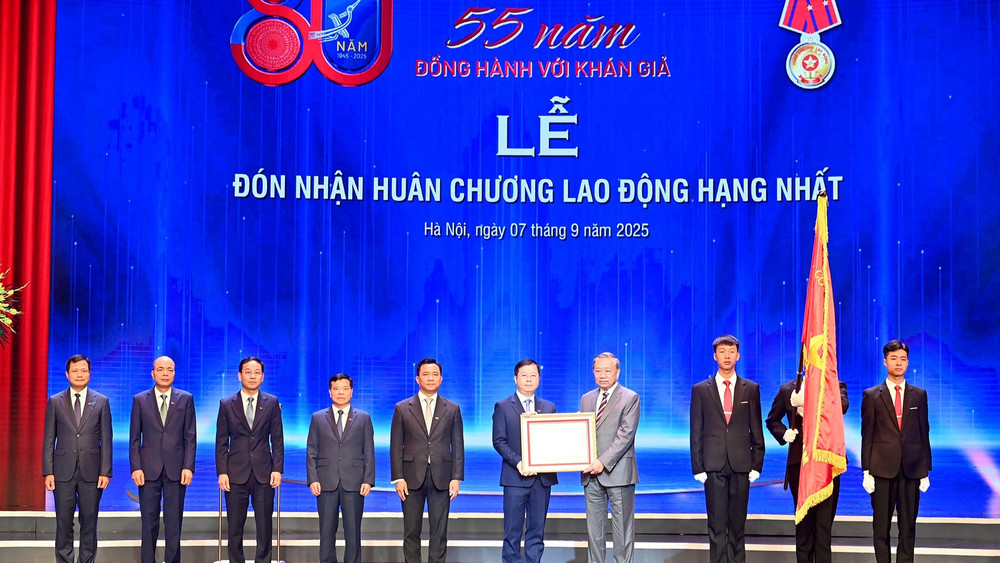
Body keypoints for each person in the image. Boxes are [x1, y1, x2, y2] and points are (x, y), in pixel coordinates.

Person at [689, 334, 765, 563]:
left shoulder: (751, 388)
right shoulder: (701, 390)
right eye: (722, 352)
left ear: (738, 356)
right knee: (716, 524)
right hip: (713, 465)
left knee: (738, 523)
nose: (727, 356)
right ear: (715, 356)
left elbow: (756, 428)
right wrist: (698, 467)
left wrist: (757, 464)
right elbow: (696, 431)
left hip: (741, 464)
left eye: (731, 351)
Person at [861, 339, 931, 563]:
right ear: (885, 362)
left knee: (908, 527)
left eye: (903, 359)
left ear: (908, 362)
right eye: (894, 359)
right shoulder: (872, 395)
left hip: (911, 470)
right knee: (881, 528)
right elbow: (867, 435)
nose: (899, 363)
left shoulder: (919, 394)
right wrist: (866, 471)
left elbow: (924, 432)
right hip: (881, 470)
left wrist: (925, 470)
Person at [390, 358, 465, 563]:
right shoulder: (402, 408)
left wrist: (456, 477)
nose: (430, 378)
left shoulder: (452, 408)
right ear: (417, 379)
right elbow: (396, 446)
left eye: (434, 374)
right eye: (425, 374)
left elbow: (458, 445)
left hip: (442, 477)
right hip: (410, 477)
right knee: (411, 531)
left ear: (441, 379)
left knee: (439, 532)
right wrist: (398, 478)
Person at [766, 378, 849, 563]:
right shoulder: (787, 389)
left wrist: (807, 401)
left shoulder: (835, 385)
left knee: (823, 529)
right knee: (804, 527)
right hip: (800, 465)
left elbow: (840, 407)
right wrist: (784, 433)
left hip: (827, 465)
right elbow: (772, 420)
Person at [42, 354, 113, 563]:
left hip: (92, 472)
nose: (79, 374)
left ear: (90, 373)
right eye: (75, 371)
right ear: (67, 374)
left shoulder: (101, 402)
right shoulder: (55, 401)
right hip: (62, 471)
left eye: (83, 370)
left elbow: (107, 440)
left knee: (89, 522)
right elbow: (49, 439)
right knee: (63, 522)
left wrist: (105, 472)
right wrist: (48, 471)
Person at [215, 356, 285, 563]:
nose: (252, 376)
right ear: (240, 375)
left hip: (264, 473)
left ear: (262, 377)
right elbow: (221, 441)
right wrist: (222, 472)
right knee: (235, 526)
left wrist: (277, 469)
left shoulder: (272, 403)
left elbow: (277, 439)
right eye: (248, 372)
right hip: (235, 473)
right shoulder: (226, 404)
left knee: (264, 525)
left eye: (257, 372)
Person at [129, 356, 197, 563]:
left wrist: (188, 467)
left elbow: (190, 436)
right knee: (148, 522)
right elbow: (134, 438)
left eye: (170, 369)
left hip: (176, 469)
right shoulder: (140, 400)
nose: (165, 373)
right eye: (160, 369)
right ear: (153, 373)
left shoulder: (185, 399)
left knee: (173, 522)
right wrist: (136, 467)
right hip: (148, 470)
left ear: (174, 373)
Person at [492, 359, 559, 563]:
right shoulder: (503, 406)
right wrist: (520, 463)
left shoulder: (549, 407)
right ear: (515, 378)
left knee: (537, 531)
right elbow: (499, 441)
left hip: (542, 480)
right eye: (524, 375)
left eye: (533, 375)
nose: (529, 379)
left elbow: (555, 440)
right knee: (512, 531)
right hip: (515, 478)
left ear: (539, 378)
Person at [306, 373, 375, 563]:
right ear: (330, 392)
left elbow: (369, 451)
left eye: (345, 388)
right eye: (336, 389)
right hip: (326, 481)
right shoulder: (318, 418)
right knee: (326, 531)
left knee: (353, 532)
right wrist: (313, 479)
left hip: (354, 482)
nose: (341, 392)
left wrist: (368, 480)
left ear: (352, 391)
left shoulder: (364, 418)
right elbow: (311, 450)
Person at [580, 352, 640, 563]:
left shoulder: (630, 397)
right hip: (591, 475)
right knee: (594, 534)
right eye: (598, 370)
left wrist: (602, 462)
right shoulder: (586, 398)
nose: (602, 375)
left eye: (607, 370)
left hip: (618, 473)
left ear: (618, 372)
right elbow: (581, 432)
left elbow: (625, 435)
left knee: (622, 533)